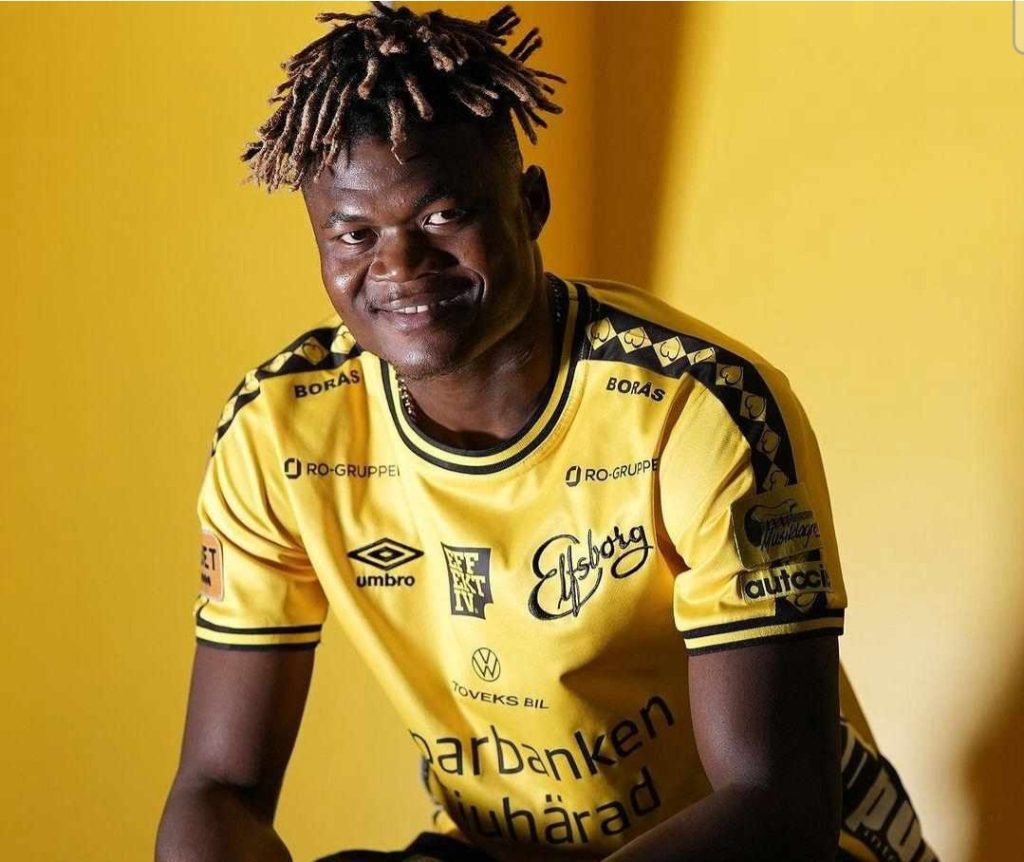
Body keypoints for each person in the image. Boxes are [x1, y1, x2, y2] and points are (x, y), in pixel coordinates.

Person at [155, 5, 938, 862]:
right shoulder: (281, 433)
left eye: (442, 216)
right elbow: (218, 786)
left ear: (530, 205)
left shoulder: (699, 408)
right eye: (354, 234)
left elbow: (777, 803)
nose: (400, 265)